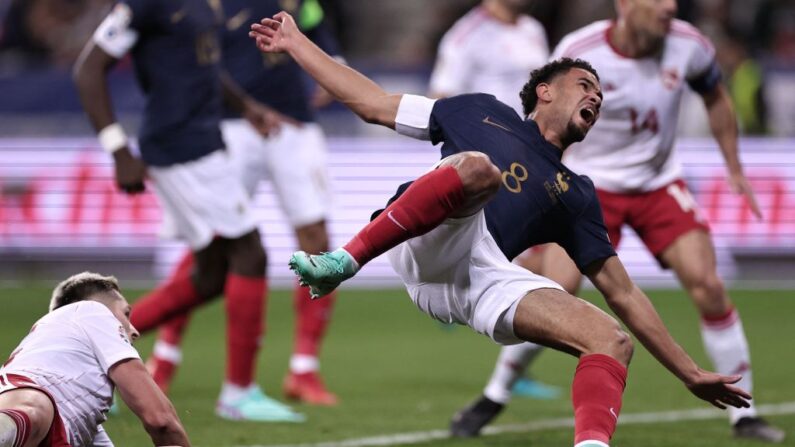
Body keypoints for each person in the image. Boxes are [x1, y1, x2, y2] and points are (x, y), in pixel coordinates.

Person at [250, 13, 752, 447]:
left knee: (610, 340)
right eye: (585, 85)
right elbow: (374, 104)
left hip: (480, 277)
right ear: (545, 90)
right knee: (476, 169)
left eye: (600, 95)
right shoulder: (479, 112)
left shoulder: (576, 193)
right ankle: (342, 263)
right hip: (429, 239)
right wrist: (297, 42)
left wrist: (689, 372)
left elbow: (622, 292)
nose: (596, 98)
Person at [451, 0, 786, 442]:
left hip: (658, 183)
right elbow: (542, 114)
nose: (669, 6)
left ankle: (746, 415)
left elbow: (715, 95)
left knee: (708, 285)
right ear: (625, 4)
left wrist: (734, 166)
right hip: (592, 186)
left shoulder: (690, 45)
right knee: (555, 291)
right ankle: (494, 395)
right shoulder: (581, 51)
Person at [73, 0, 302, 422]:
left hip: (203, 140)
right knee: (250, 252)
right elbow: (88, 69)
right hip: (180, 147)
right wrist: (118, 149)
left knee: (211, 276)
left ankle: (89, 352)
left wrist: (246, 106)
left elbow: (203, 66)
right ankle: (239, 394)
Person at [144, 0, 342, 408]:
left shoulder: (303, 4)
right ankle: (163, 359)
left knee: (317, 240)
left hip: (295, 124)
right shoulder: (217, 5)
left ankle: (304, 369)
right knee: (212, 244)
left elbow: (319, 34)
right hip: (235, 123)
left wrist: (332, 65)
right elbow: (198, 54)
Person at [429, 0, 560, 409]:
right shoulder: (467, 35)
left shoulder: (533, 31)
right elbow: (441, 99)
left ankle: (508, 357)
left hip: (530, 160)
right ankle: (453, 291)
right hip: (489, 163)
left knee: (530, 260)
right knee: (528, 261)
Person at [0, 272, 190, 446]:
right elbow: (161, 421)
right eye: (126, 314)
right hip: (22, 411)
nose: (134, 331)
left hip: (33, 420)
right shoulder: (93, 311)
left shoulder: (80, 420)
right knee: (36, 410)